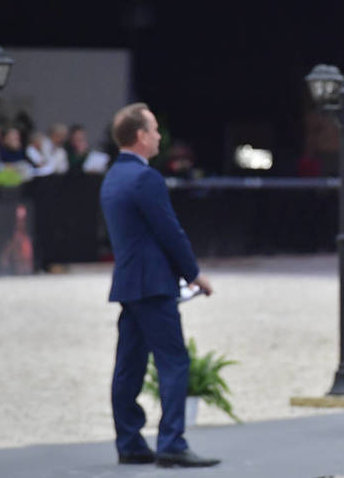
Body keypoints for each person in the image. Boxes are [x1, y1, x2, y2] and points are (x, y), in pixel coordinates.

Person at [101, 103, 219, 468]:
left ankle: (130, 441)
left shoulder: (112, 177)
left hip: (129, 283)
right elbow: (170, 231)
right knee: (173, 362)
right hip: (153, 285)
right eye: (153, 130)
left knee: (129, 365)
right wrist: (193, 272)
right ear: (140, 136)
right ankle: (172, 441)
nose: (158, 136)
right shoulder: (146, 178)